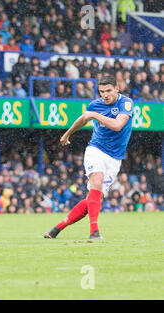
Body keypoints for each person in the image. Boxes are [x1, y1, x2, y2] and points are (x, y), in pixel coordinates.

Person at [44, 75, 133, 239]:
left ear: (117, 89)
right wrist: (67, 134)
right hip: (96, 149)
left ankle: (58, 228)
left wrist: (95, 116)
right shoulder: (95, 105)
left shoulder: (125, 103)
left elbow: (117, 125)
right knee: (96, 182)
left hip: (115, 158)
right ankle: (94, 231)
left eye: (108, 91)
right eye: (101, 92)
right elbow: (84, 118)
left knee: (92, 199)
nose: (105, 95)